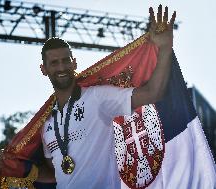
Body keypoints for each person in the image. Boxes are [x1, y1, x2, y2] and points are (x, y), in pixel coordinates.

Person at [35, 4, 176, 189]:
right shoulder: (46, 124)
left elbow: (152, 93)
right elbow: (56, 172)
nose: (61, 67)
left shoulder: (97, 98)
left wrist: (164, 48)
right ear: (44, 70)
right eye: (54, 63)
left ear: (74, 63)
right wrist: (14, 166)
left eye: (65, 61)